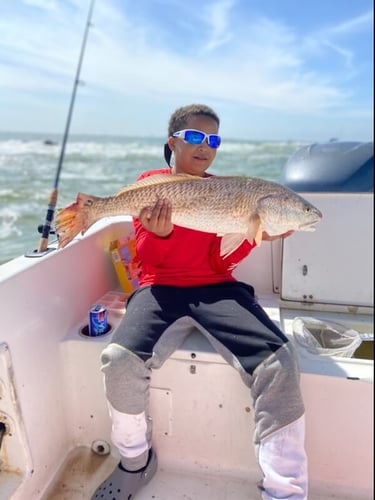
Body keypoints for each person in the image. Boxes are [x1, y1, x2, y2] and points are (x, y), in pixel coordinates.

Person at [92, 104, 308, 500]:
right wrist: (159, 234)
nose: (204, 146)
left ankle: (286, 491)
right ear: (173, 141)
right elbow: (150, 260)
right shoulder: (152, 184)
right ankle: (135, 461)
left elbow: (222, 261)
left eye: (213, 140)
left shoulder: (229, 190)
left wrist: (256, 233)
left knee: (279, 360)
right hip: (161, 288)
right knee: (119, 360)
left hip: (217, 288)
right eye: (194, 136)